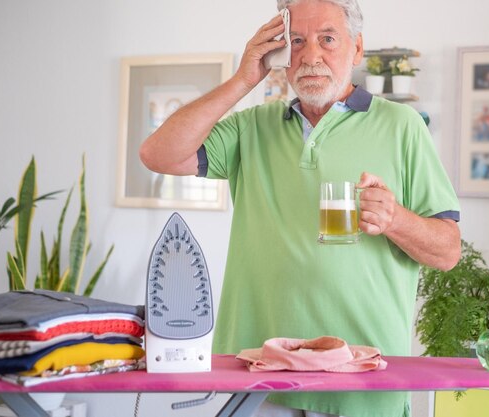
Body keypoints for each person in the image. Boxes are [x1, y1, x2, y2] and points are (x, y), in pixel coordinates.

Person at [139, 1, 461, 416]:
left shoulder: (403, 126)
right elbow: (157, 154)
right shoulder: (251, 127)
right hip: (258, 379)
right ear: (279, 55)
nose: (310, 56)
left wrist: (396, 220)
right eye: (296, 41)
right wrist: (243, 80)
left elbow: (448, 252)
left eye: (327, 39)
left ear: (357, 48)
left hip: (362, 379)